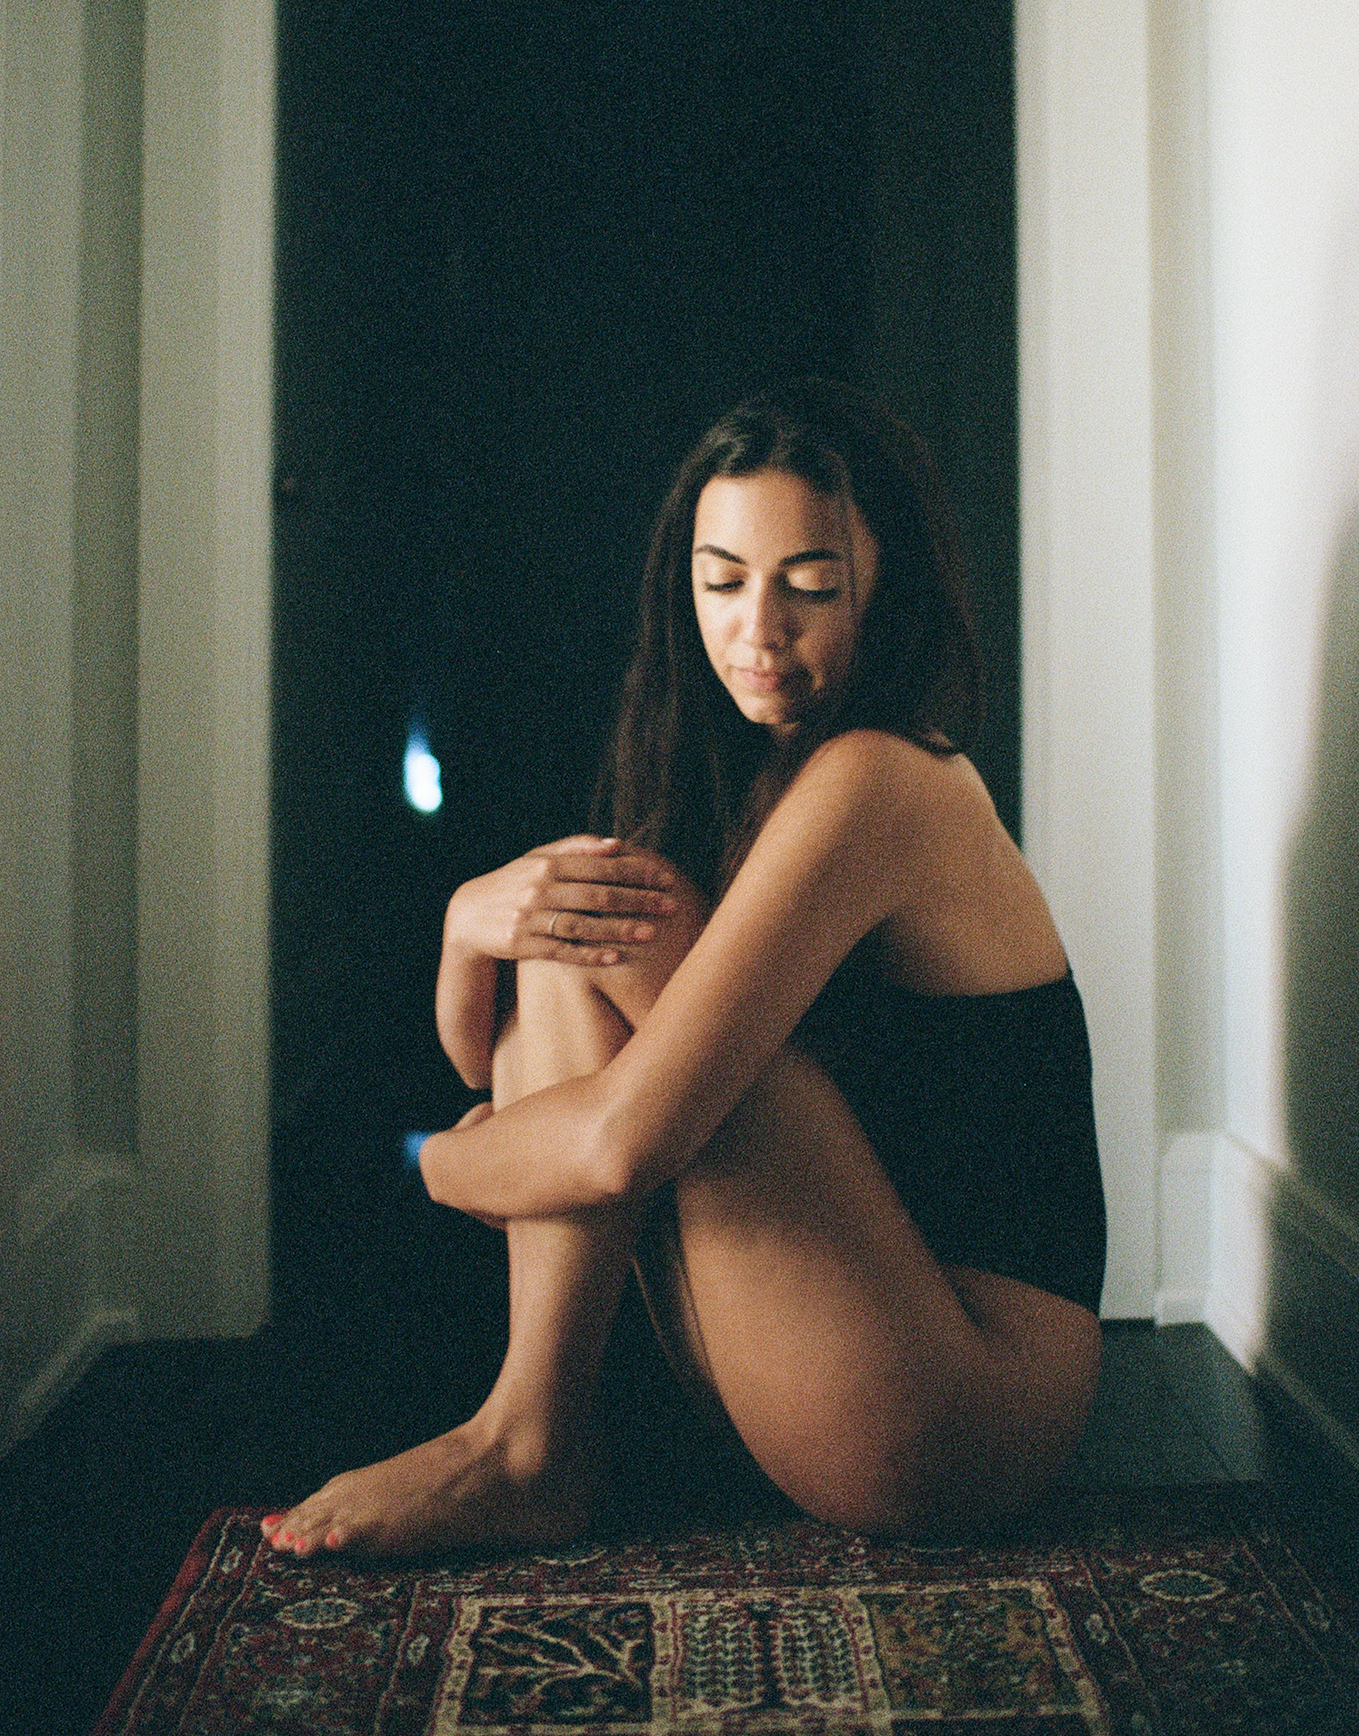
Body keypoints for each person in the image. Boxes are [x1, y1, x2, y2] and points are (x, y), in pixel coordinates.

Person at [263, 380, 1106, 1558]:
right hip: (846, 1344)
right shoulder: (749, 779)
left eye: (810, 585)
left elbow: (617, 1146)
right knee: (586, 915)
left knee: (613, 929)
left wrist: (438, 1163)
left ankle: (522, 1445)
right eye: (723, 582)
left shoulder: (883, 781)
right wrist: (464, 927)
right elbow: (491, 1060)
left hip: (960, 1407)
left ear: (888, 588)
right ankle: (533, 1443)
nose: (760, 629)